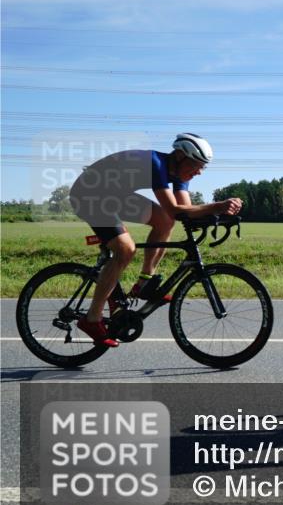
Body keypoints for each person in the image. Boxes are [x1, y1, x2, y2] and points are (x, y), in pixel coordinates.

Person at [68, 133, 243, 347]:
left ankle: (144, 282)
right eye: (196, 165)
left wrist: (221, 215)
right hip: (89, 193)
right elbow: (175, 208)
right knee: (125, 249)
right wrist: (217, 205)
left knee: (165, 221)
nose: (199, 172)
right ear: (179, 156)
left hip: (113, 195)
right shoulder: (155, 163)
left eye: (203, 167)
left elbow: (185, 212)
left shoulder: (180, 174)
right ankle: (92, 319)